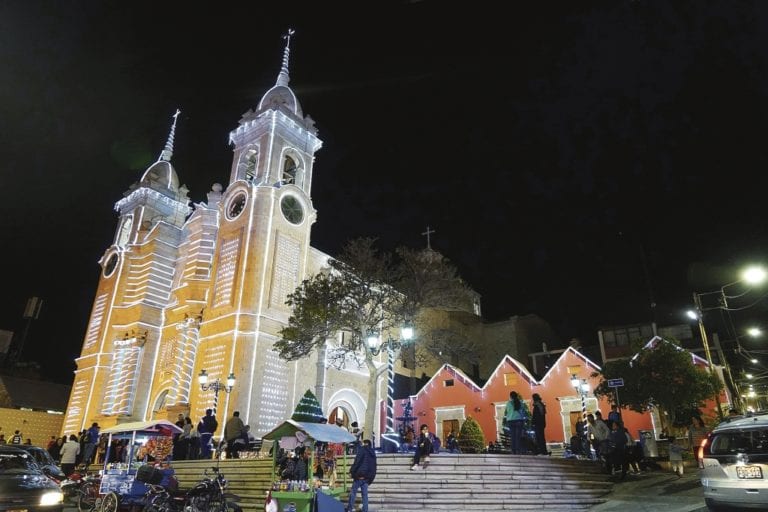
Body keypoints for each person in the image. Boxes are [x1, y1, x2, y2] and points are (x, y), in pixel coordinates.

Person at [347, 439, 376, 512]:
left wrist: (351, 471)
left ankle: (350, 508)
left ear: (365, 443)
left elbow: (357, 461)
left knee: (353, 492)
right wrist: (370, 478)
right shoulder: (373, 452)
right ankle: (365, 510)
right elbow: (374, 466)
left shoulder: (361, 450)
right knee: (365, 495)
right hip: (367, 477)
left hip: (359, 476)